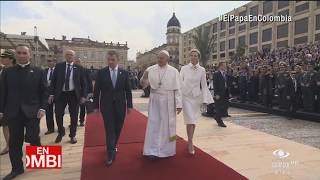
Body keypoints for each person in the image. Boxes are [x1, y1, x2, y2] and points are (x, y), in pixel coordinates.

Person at [0, 45, 47, 180]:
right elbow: (3, 92)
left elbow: (44, 91)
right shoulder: (8, 72)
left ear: (30, 55)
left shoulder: (38, 71)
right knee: (15, 141)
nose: (21, 55)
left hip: (33, 112)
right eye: (19, 53)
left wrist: (42, 108)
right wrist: (1, 110)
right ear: (16, 55)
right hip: (13, 112)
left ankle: (39, 160)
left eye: (24, 53)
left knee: (33, 137)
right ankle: (17, 169)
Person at [140, 50, 182, 160]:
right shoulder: (150, 69)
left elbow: (178, 89)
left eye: (161, 58)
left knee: (167, 126)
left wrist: (179, 104)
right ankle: (151, 151)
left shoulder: (174, 71)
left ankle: (166, 151)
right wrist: (144, 77)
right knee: (153, 124)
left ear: (167, 59)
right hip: (155, 100)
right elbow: (143, 85)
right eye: (158, 58)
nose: (159, 60)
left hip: (168, 100)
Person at [93, 50, 133, 166]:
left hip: (121, 105)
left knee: (118, 127)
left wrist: (129, 105)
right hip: (106, 106)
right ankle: (110, 153)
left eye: (112, 60)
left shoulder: (124, 73)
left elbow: (128, 91)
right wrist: (95, 106)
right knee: (110, 129)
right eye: (108, 59)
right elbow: (96, 91)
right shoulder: (101, 73)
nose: (110, 62)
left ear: (117, 60)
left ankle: (113, 145)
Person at [48, 50, 87, 144]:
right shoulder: (59, 66)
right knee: (58, 114)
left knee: (74, 116)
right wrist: (51, 94)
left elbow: (84, 83)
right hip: (61, 94)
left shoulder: (79, 68)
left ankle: (72, 135)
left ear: (74, 57)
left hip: (74, 94)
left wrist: (83, 96)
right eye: (68, 54)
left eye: (71, 55)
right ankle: (61, 132)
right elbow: (53, 81)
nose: (69, 56)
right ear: (65, 56)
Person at [180, 49, 214, 155]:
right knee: (189, 119)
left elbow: (204, 86)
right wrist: (178, 99)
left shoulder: (202, 70)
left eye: (196, 56)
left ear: (198, 57)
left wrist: (205, 100)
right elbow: (180, 83)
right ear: (190, 57)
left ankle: (190, 139)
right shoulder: (184, 68)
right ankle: (190, 142)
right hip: (186, 97)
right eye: (192, 55)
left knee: (193, 121)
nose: (194, 57)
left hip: (196, 98)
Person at [0, 50, 16, 156]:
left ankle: (13, 145)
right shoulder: (3, 70)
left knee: (13, 126)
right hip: (3, 102)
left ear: (10, 59)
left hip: (13, 102)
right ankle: (8, 145)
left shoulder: (15, 70)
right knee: (5, 125)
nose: (1, 59)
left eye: (4, 57)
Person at [74, 57, 93, 127]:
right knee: (73, 109)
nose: (77, 63)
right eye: (76, 62)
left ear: (81, 62)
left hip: (83, 93)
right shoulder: (72, 70)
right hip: (74, 93)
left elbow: (89, 81)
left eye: (78, 62)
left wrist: (90, 92)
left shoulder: (85, 70)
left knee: (82, 108)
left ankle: (81, 121)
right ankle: (73, 122)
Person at [212, 62, 228, 127]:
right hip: (219, 94)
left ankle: (216, 117)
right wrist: (216, 94)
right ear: (220, 66)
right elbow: (215, 85)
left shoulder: (225, 74)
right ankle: (220, 121)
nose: (225, 67)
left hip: (225, 93)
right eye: (224, 66)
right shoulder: (216, 74)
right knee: (219, 108)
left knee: (225, 106)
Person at [44, 59, 56, 135]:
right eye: (48, 61)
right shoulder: (44, 71)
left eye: (51, 61)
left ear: (55, 62)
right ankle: (50, 128)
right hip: (47, 95)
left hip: (57, 94)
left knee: (59, 113)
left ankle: (60, 128)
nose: (49, 62)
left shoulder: (58, 70)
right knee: (48, 112)